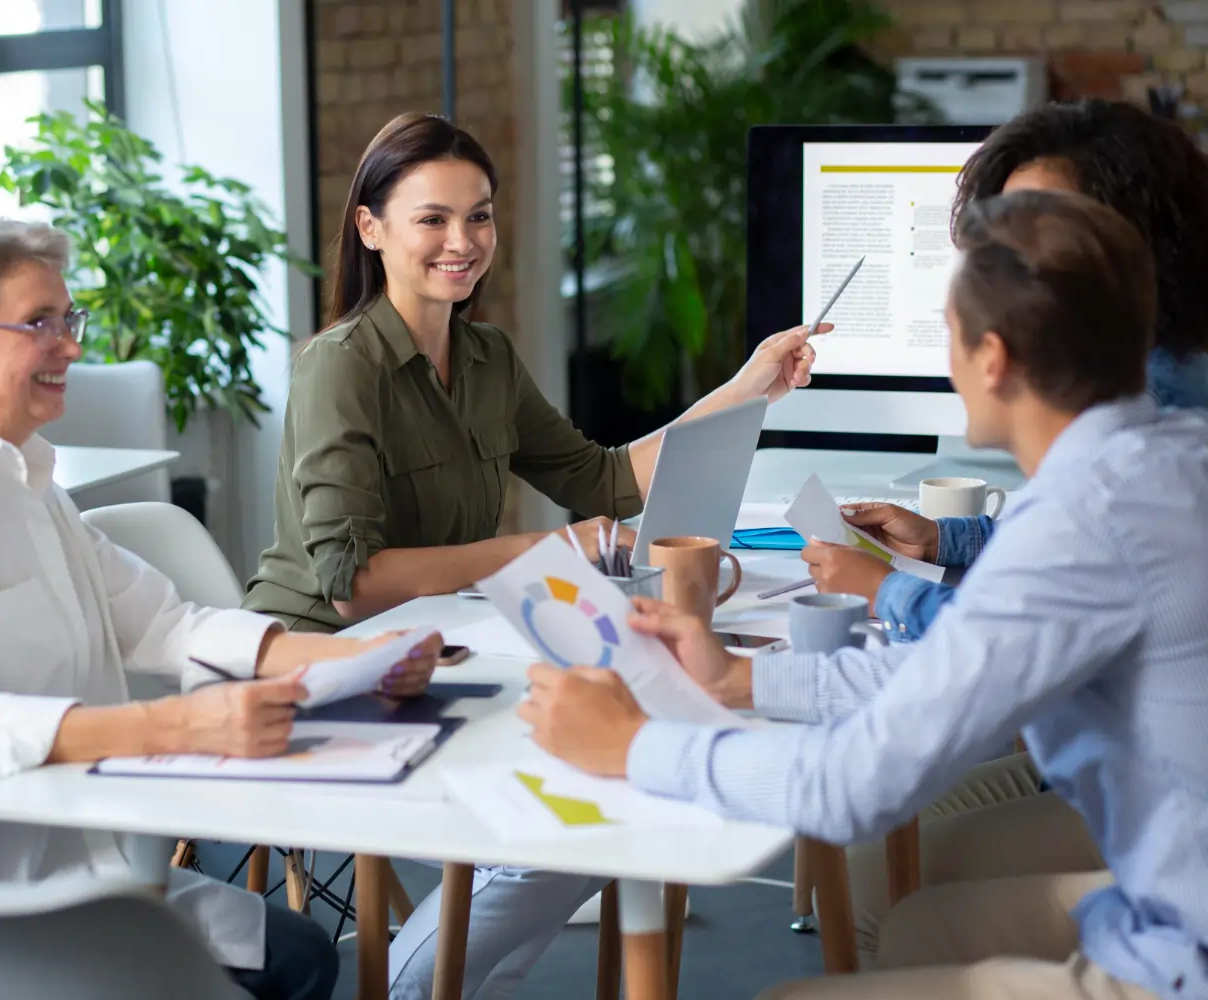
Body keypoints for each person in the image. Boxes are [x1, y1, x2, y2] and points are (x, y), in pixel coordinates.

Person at [522, 189, 1208, 998]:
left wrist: (630, 745)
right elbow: (949, 669)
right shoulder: (1162, 459)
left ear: (991, 359)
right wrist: (740, 677)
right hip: (1162, 887)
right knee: (910, 922)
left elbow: (852, 784)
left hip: (1178, 947)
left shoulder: (1081, 523)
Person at [0, 207, 443, 1000]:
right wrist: (183, 724)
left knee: (300, 956)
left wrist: (360, 661)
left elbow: (167, 624)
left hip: (51, 867)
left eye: (69, 319)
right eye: (39, 323)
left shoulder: (31, 483)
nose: (70, 345)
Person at [241, 112, 826, 999]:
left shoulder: (486, 356)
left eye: (478, 216)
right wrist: (545, 547)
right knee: (577, 800)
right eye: (432, 218)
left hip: (447, 645)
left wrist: (751, 387)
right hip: (327, 661)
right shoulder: (339, 368)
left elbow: (605, 481)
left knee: (611, 768)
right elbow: (354, 586)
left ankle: (435, 981)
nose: (462, 241)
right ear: (371, 227)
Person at [798, 97, 1208, 959]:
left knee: (874, 871)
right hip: (1118, 756)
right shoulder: (1135, 394)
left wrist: (886, 589)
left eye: (1042, 232)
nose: (1014, 266)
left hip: (1165, 810)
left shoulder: (1163, 415)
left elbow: (1041, 608)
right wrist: (945, 541)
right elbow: (1088, 563)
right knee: (888, 857)